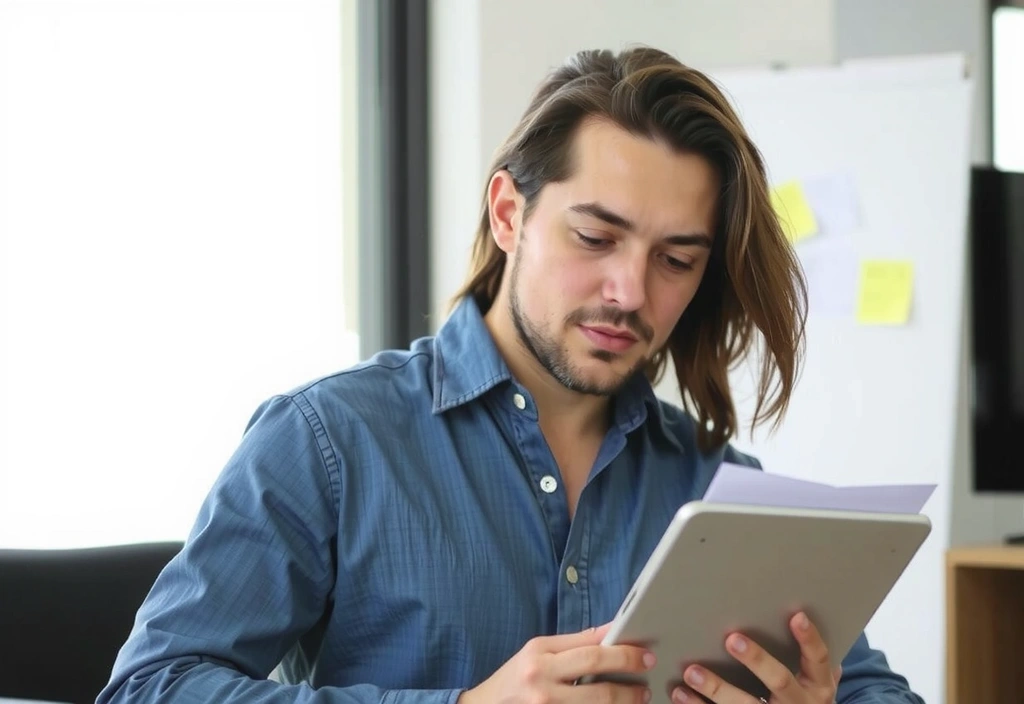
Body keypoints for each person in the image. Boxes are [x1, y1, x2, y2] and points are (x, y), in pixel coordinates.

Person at [98, 46, 925, 704]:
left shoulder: (717, 491)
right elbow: (149, 687)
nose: (630, 292)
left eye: (675, 260)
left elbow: (877, 691)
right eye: (595, 239)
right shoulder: (329, 443)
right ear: (508, 215)